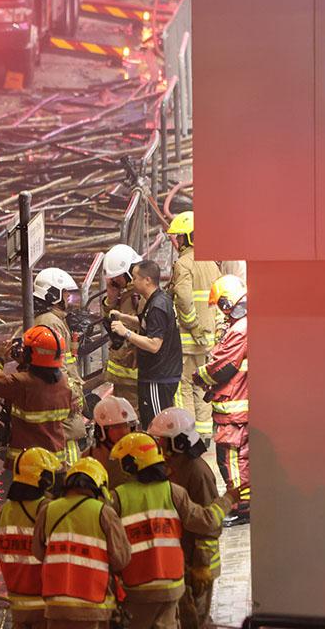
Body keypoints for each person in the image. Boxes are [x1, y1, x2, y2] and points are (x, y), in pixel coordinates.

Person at [109, 432, 238, 629]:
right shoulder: (173, 492)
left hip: (136, 589)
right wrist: (228, 499)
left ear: (129, 464)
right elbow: (207, 521)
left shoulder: (117, 498)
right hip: (172, 587)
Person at [32, 457, 131, 629]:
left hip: (56, 605)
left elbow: (38, 553)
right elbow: (120, 560)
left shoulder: (48, 510)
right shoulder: (104, 513)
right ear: (99, 487)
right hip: (92, 606)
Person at [148, 408, 221, 629]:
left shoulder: (197, 472)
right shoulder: (177, 465)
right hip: (184, 560)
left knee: (197, 621)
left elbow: (208, 524)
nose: (157, 445)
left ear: (177, 442)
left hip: (199, 564)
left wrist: (202, 565)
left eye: (161, 440)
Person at [194, 274, 250, 527]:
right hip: (237, 407)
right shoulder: (242, 325)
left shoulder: (240, 330)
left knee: (233, 461)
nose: (221, 312)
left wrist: (200, 375)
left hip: (235, 410)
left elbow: (221, 367)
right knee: (238, 459)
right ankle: (244, 504)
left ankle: (243, 507)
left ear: (228, 303)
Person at [0, 325, 76, 465]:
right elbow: (38, 382)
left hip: (28, 464)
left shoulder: (21, 383)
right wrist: (26, 365)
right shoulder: (63, 382)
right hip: (56, 461)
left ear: (30, 353)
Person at [0, 448, 62, 629]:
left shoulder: (5, 510)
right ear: (45, 479)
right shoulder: (46, 509)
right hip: (44, 605)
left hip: (17, 604)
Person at [167, 212, 222, 443]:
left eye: (180, 237)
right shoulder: (211, 263)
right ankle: (204, 433)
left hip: (188, 340)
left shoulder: (183, 264)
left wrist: (192, 326)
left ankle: (187, 435)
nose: (177, 242)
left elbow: (183, 299)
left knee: (184, 387)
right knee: (202, 385)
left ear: (189, 237)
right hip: (208, 340)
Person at [109, 260, 182, 428]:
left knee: (158, 425)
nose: (132, 281)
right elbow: (146, 324)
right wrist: (123, 317)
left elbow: (154, 344)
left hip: (159, 378)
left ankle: (160, 453)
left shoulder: (158, 306)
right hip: (154, 376)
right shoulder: (155, 300)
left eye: (135, 278)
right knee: (150, 421)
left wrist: (126, 333)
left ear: (147, 280)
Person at [33, 268, 87, 461]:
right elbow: (58, 365)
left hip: (60, 394)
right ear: (53, 294)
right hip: (62, 396)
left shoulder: (54, 320)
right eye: (65, 293)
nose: (68, 298)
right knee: (68, 441)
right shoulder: (51, 323)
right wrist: (72, 394)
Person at [101, 244, 146, 407]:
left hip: (132, 371)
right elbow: (110, 321)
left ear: (128, 272)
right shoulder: (126, 293)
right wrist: (111, 300)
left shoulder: (138, 296)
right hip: (123, 372)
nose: (113, 281)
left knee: (131, 414)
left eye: (116, 277)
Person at [88, 395, 138, 488]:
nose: (123, 432)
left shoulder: (140, 453)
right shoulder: (89, 458)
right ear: (102, 430)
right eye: (116, 427)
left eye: (127, 425)